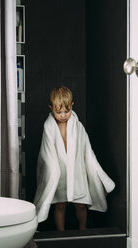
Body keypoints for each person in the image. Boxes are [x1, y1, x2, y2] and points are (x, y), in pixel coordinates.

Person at [33, 85, 115, 231]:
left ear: (72, 106)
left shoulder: (78, 126)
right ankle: (61, 234)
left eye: (67, 110)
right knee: (60, 206)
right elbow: (46, 153)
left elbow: (87, 151)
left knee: (81, 206)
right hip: (59, 173)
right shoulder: (49, 127)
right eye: (59, 112)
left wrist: (96, 170)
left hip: (77, 173)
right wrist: (54, 172)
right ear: (51, 108)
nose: (63, 115)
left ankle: (82, 230)